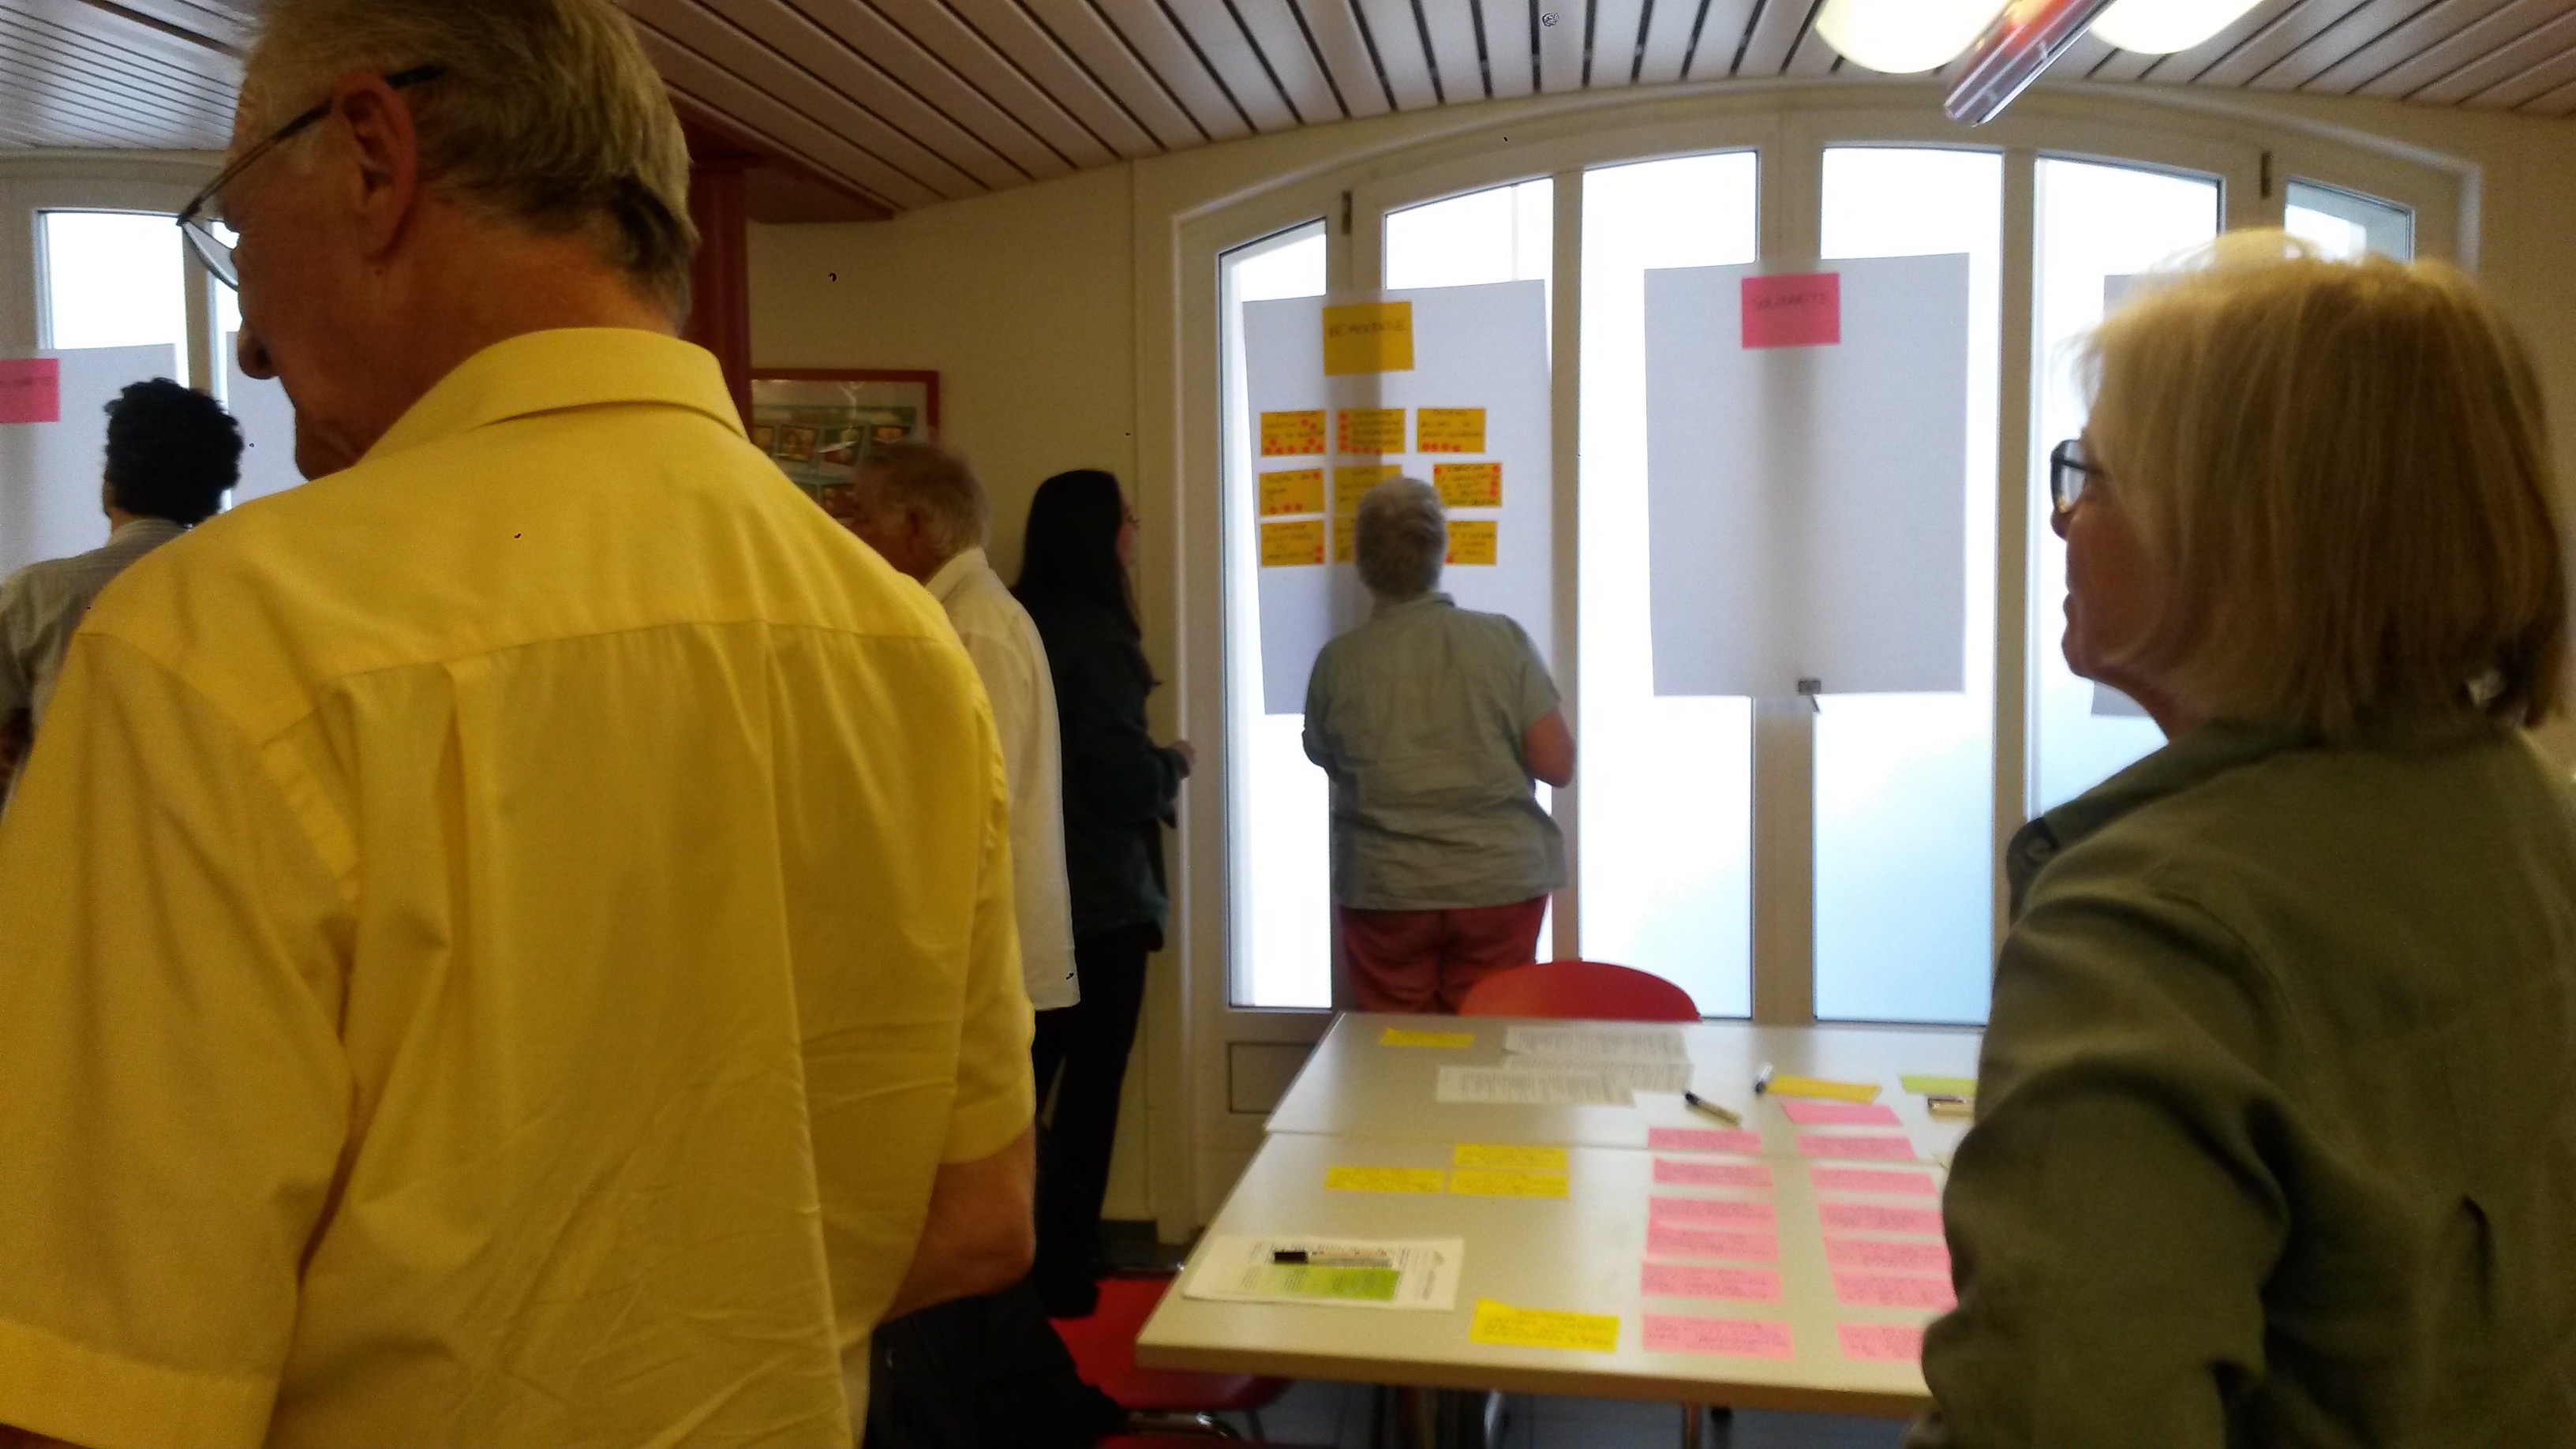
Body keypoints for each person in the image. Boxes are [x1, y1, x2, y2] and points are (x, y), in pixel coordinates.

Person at [0, 2, 1032, 1445]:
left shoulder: (225, 644)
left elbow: (98, 1389)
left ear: (374, 157)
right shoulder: (902, 643)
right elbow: (976, 1215)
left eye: (238, 233)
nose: (245, 338)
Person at [1911, 235, 2576, 1447]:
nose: (2062, 516)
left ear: (2241, 536)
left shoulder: (2151, 930)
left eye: (2094, 475)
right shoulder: (2533, 812)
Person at [1015, 468, 1189, 1315]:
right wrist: (1172, 765)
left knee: (1019, 1087)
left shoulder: (1015, 621)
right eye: (1127, 519)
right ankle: (1067, 1266)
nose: (1135, 532)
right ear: (1100, 536)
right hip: (1102, 902)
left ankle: (1012, 1260)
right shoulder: (1099, 640)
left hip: (1028, 894)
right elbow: (1120, 782)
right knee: (1090, 1092)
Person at [1301, 478, 1574, 1013]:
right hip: (1498, 885)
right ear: (1439, 553)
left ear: (1362, 563)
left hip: (1386, 889)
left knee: (1399, 1045)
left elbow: (1325, 757)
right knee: (1484, 1037)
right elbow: (1556, 764)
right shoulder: (1503, 641)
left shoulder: (1338, 662)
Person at [833, 440, 1078, 1017]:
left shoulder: (974, 627)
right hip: (963, 946)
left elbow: (974, 805)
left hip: (980, 955)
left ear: (918, 526)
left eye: (863, 517)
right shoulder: (949, 615)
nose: (850, 534)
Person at [0, 378, 240, 803]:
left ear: (110, 476)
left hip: (62, 835)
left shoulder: (37, 595)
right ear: (212, 493)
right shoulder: (243, 597)